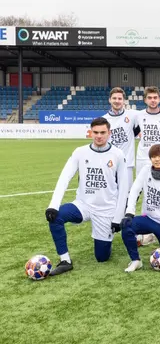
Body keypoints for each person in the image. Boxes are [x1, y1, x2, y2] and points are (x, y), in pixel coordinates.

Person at [44, 117, 128, 275]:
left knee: (102, 257)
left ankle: (105, 239)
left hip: (106, 209)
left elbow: (124, 188)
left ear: (109, 133)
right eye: (95, 132)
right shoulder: (80, 152)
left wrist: (118, 218)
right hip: (82, 205)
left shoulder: (118, 154)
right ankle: (65, 260)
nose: (99, 136)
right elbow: (64, 178)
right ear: (90, 132)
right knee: (56, 217)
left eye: (103, 132)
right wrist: (53, 205)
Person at [121, 144, 160, 272]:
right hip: (148, 219)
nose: (157, 159)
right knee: (127, 226)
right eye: (154, 157)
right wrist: (129, 212)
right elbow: (134, 190)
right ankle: (136, 260)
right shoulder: (146, 170)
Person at [104, 87, 139, 191]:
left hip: (127, 164)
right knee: (110, 195)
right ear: (109, 100)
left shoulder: (133, 114)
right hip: (109, 164)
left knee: (127, 195)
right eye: (114, 98)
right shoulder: (104, 120)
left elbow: (149, 113)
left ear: (124, 101)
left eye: (120, 99)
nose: (117, 101)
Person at [135, 86, 160, 176]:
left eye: (155, 97)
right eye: (149, 98)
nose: (153, 100)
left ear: (159, 99)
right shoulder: (139, 115)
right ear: (145, 100)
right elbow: (133, 131)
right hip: (143, 157)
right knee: (141, 186)